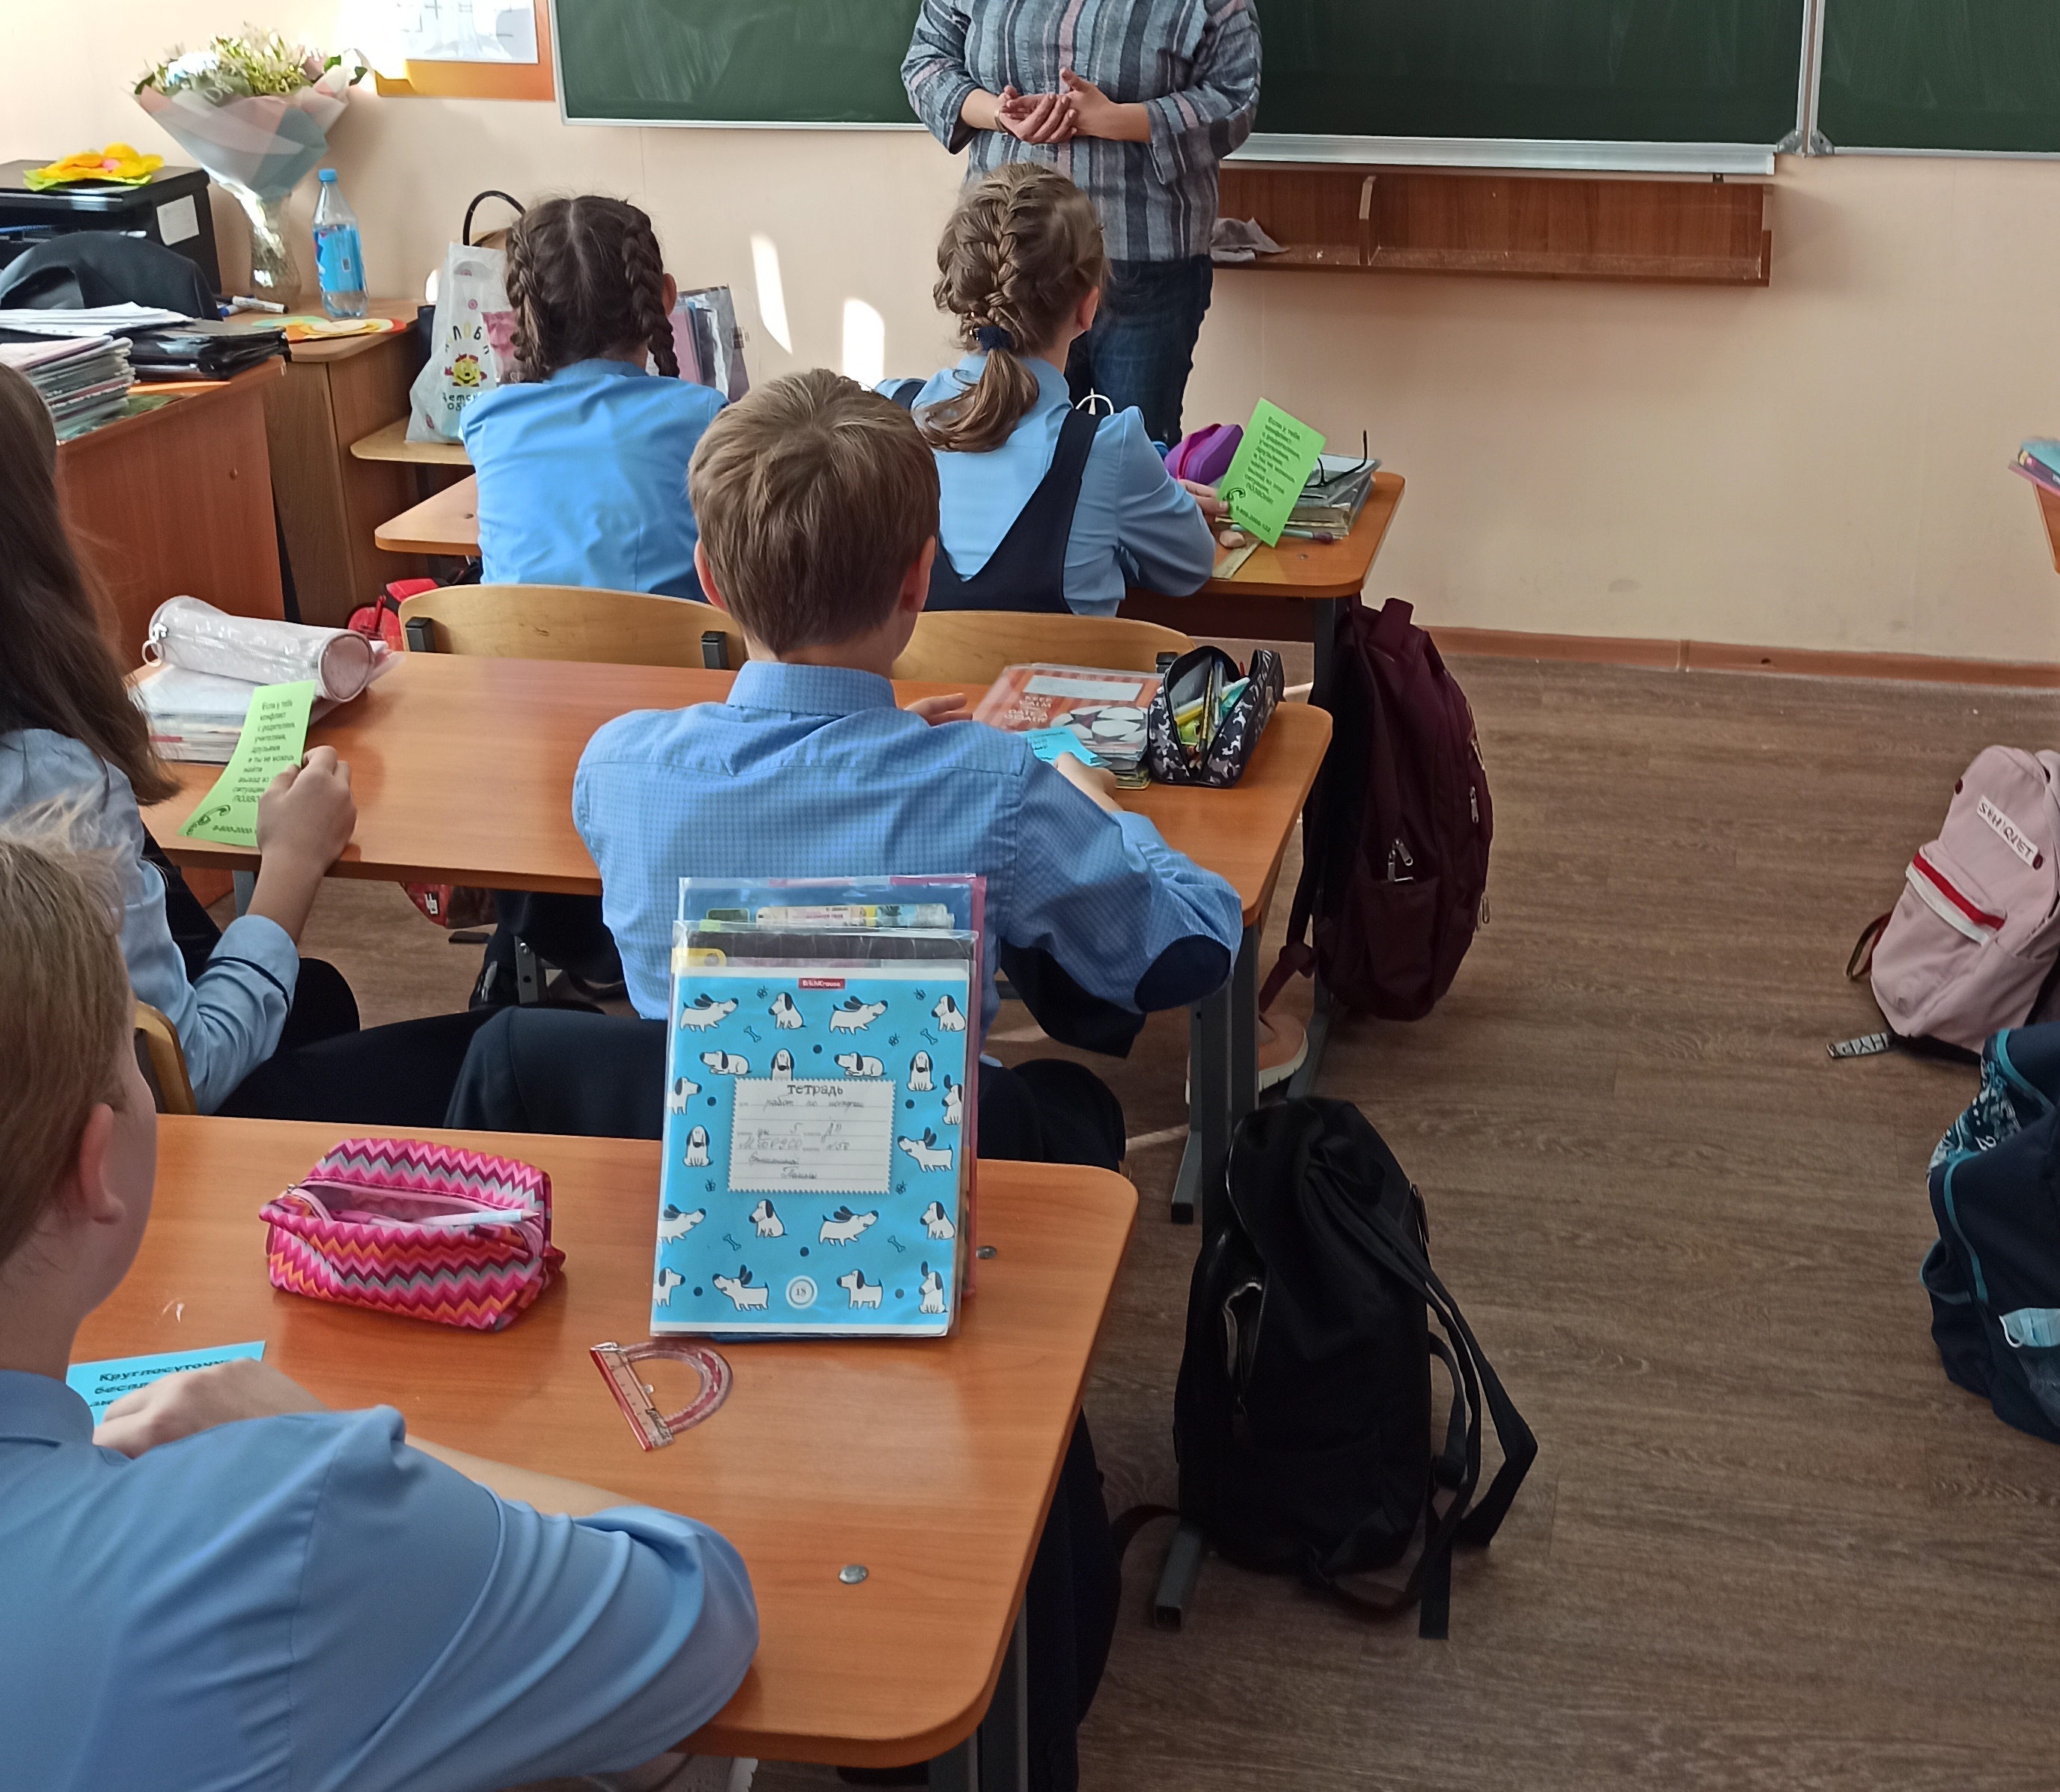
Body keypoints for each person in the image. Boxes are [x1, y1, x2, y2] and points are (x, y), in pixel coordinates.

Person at [0, 820, 759, 1792]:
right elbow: (693, 1605)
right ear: (98, 1162)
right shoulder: (267, 1530)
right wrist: (324, 1442)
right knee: (302, 1742)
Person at [447, 368, 1242, 1140]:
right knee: (1071, 1102)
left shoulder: (617, 768)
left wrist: (870, 747)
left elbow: (785, 821)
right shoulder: (996, 789)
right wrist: (1096, 801)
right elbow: (1190, 953)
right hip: (921, 1166)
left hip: (704, 1159)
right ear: (919, 579)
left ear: (709, 581)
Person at [0, 365, 489, 1119]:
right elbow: (183, 1076)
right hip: (140, 1142)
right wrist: (291, 864)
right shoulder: (52, 784)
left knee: (314, 998)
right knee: (514, 1052)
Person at [902, 0, 1259, 445]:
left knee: (1130, 456)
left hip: (1141, 268)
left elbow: (1236, 96)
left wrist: (1118, 119)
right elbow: (924, 60)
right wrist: (995, 112)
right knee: (1014, 454)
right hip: (1013, 265)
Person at [881, 168, 1217, 618]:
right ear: (1088, 308)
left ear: (962, 294)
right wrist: (1122, 529)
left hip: (922, 669)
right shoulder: (1111, 450)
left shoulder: (886, 415)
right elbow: (1191, 565)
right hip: (1067, 670)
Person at [462, 193, 721, 599]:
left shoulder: (485, 421)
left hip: (517, 641)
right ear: (664, 298)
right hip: (672, 643)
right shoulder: (707, 418)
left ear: (521, 315)